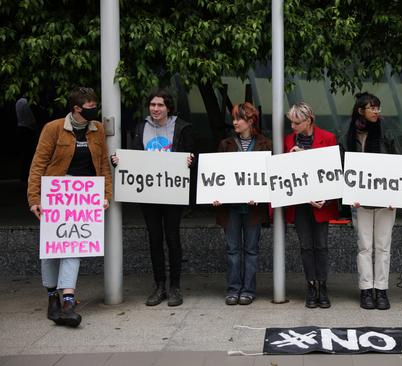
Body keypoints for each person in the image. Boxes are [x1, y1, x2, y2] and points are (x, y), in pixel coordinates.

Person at [27, 87, 113, 327]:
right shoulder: (53, 128)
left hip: (82, 197)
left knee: (72, 246)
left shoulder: (97, 131)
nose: (94, 111)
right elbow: (38, 164)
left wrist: (105, 195)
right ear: (76, 109)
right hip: (56, 194)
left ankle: (68, 301)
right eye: (89, 107)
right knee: (52, 249)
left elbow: (103, 166)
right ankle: (52, 296)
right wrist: (34, 198)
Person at [111, 89, 194, 307]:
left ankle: (175, 287)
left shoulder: (182, 127)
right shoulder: (141, 127)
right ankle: (159, 286)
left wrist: (190, 161)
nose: (156, 109)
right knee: (154, 238)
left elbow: (193, 156)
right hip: (148, 193)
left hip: (173, 192)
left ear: (169, 108)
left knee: (173, 238)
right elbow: (134, 156)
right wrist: (119, 161)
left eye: (160, 105)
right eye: (153, 105)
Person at [339, 92, 400, 310]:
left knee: (383, 246)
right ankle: (366, 289)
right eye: (372, 108)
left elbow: (400, 163)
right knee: (364, 247)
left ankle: (381, 290)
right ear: (360, 110)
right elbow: (343, 167)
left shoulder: (387, 130)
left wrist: (398, 195)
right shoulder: (347, 134)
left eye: (378, 107)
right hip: (360, 202)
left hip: (386, 200)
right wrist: (349, 194)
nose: (377, 112)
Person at [213, 102, 272, 306]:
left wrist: (261, 194)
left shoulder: (266, 145)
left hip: (253, 208)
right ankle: (233, 289)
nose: (235, 122)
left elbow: (270, 177)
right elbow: (216, 174)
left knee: (251, 250)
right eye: (234, 118)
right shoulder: (225, 144)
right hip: (231, 208)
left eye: (239, 119)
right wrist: (214, 194)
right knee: (232, 250)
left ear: (250, 121)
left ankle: (248, 289)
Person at [284, 102, 338, 308]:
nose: (293, 127)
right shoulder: (288, 140)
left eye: (296, 122)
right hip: (299, 203)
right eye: (291, 122)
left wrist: (328, 198)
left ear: (308, 120)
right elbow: (284, 172)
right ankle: (311, 285)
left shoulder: (328, 138)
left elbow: (334, 171)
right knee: (306, 246)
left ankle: (323, 286)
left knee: (321, 245)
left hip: (322, 203)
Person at [16, 97, 39, 183]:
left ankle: (24, 176)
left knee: (25, 154)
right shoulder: (26, 102)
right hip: (27, 129)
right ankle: (26, 176)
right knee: (28, 154)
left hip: (21, 128)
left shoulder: (19, 101)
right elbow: (30, 118)